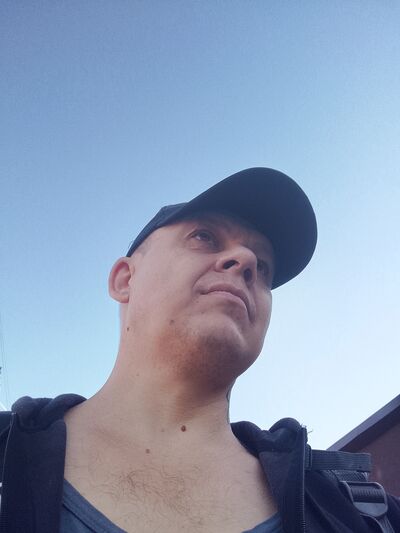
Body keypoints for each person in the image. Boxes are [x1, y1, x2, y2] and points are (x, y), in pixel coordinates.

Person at [0, 168, 399, 533]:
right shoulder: (8, 452)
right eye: (204, 237)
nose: (246, 261)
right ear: (124, 279)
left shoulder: (358, 515)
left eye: (263, 267)